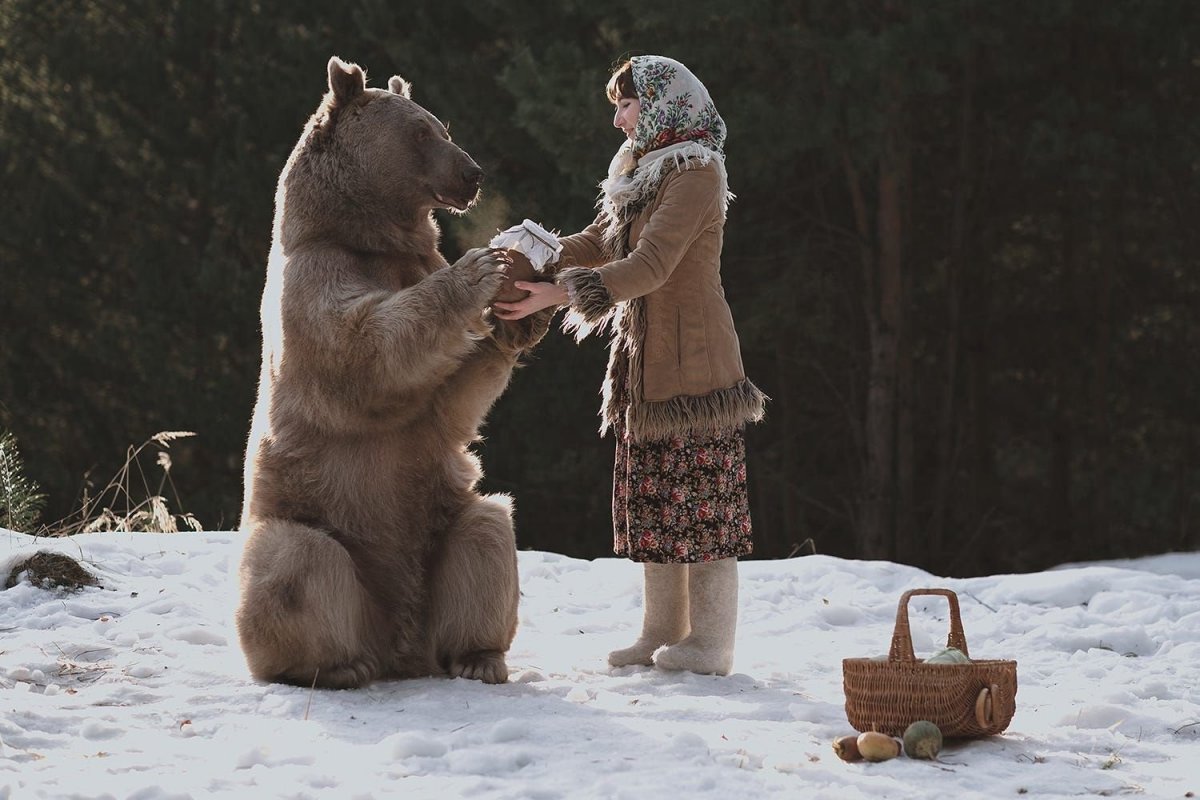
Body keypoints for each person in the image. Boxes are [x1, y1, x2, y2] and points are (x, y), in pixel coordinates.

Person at [493, 55, 766, 676]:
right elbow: (599, 243)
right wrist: (535, 253)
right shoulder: (641, 170)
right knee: (657, 501)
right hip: (646, 362)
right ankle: (662, 632)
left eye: (626, 104)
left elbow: (651, 265)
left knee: (704, 505)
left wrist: (555, 294)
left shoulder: (696, 172)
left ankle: (711, 644)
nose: (618, 120)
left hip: (695, 364)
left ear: (663, 103)